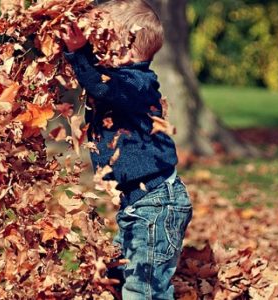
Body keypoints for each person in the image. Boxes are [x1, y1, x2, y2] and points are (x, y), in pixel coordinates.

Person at [60, 0, 193, 299]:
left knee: (144, 290)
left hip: (156, 206)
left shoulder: (137, 83)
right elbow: (98, 80)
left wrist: (78, 54)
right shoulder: (121, 81)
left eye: (103, 41)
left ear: (128, 49)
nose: (95, 49)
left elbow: (103, 86)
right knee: (116, 275)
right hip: (138, 205)